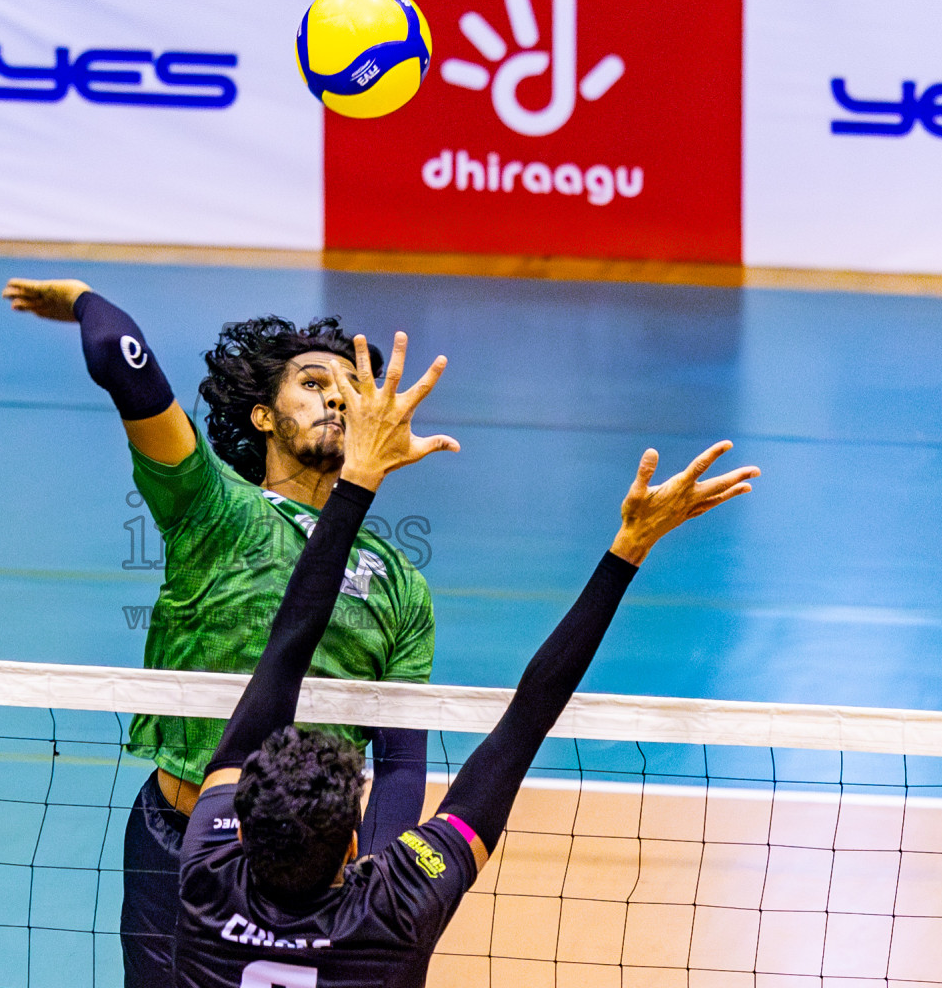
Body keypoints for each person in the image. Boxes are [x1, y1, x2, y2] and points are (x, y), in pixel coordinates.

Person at [176, 332, 758, 987]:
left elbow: (282, 653)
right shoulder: (394, 909)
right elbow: (526, 720)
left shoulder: (205, 881)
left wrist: (357, 476)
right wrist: (629, 547)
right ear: (351, 847)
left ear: (241, 833)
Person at [3, 279, 438, 985]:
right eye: (314, 382)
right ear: (263, 416)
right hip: (176, 847)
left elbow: (400, 762)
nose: (336, 398)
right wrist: (82, 299)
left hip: (315, 872)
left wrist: (376, 885)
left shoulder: (401, 583)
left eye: (352, 389)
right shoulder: (210, 507)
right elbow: (121, 356)